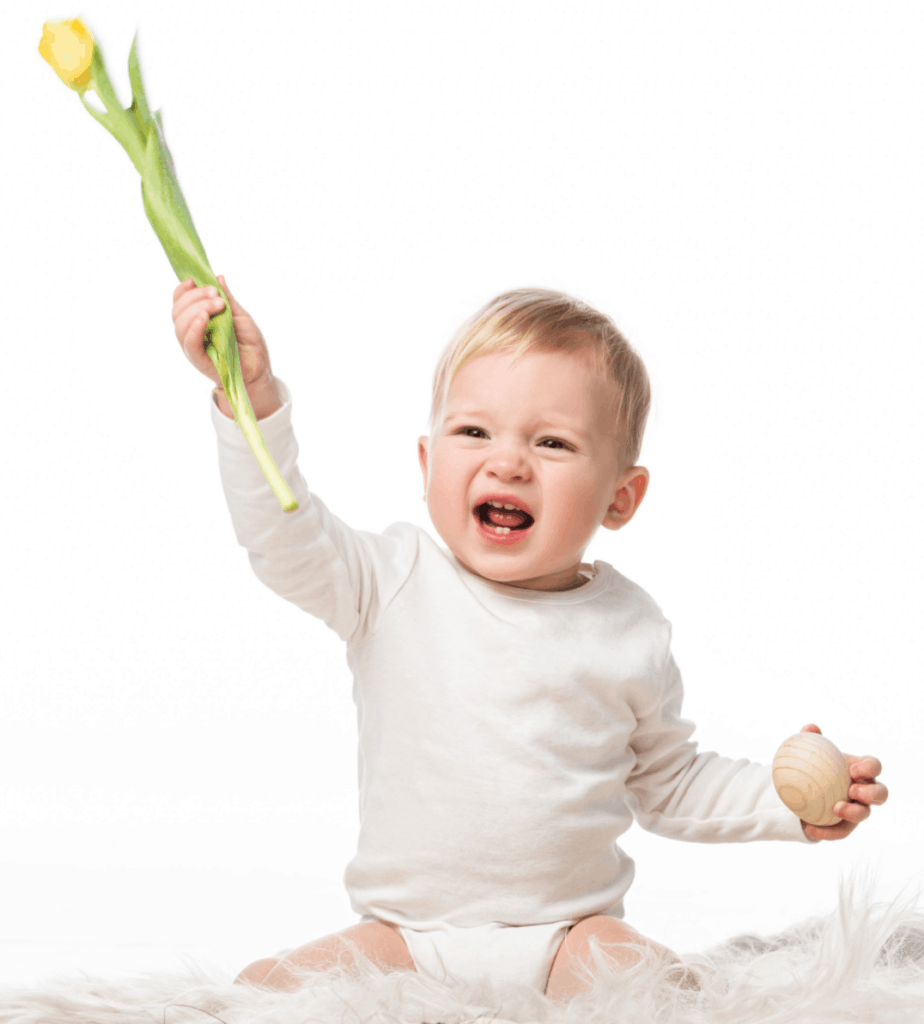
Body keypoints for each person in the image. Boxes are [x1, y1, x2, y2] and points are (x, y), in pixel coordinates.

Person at [170, 275, 888, 1001]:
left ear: (620, 497)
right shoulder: (387, 582)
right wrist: (249, 401)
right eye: (474, 432)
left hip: (565, 939)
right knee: (257, 991)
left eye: (552, 442)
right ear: (427, 465)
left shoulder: (628, 627)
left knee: (651, 986)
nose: (508, 461)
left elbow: (670, 782)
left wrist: (782, 799)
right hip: (405, 940)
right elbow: (281, 534)